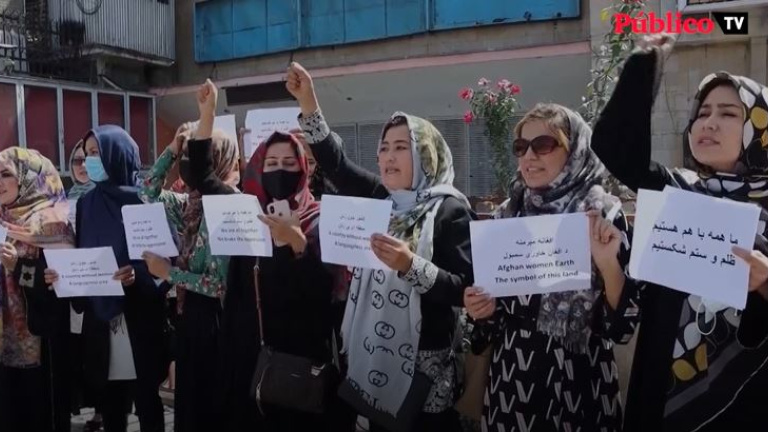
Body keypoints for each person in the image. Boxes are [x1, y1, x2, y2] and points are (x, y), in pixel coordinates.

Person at [591, 34, 768, 431]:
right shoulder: (677, 193)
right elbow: (614, 146)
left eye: (728, 113)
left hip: (744, 400)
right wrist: (645, 64)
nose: (709, 122)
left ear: (759, 128)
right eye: (702, 112)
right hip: (660, 389)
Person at [287, 62, 474, 432]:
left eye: (401, 147)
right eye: (384, 147)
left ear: (425, 155)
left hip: (424, 376)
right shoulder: (381, 199)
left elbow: (464, 290)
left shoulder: (450, 210)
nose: (388, 156)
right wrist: (308, 102)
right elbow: (337, 165)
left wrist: (410, 266)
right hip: (375, 360)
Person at [464, 103, 642, 431]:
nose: (529, 156)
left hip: (582, 382)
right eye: (521, 146)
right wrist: (480, 309)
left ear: (574, 151)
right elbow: (487, 323)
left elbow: (623, 327)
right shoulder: (507, 216)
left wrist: (607, 264)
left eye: (543, 144)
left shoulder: (602, 215)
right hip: (514, 381)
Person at [46, 126, 169, 432]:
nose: (89, 161)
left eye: (96, 153)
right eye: (87, 154)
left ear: (118, 156)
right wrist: (64, 276)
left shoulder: (147, 201)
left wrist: (137, 276)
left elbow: (167, 265)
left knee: (147, 401)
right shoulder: (87, 204)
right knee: (111, 402)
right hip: (101, 319)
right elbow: (84, 254)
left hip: (140, 317)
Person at [139, 121, 237, 432]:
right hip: (189, 318)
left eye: (196, 154)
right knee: (189, 408)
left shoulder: (231, 205)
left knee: (209, 407)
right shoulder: (190, 203)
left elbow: (219, 285)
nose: (188, 162)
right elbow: (148, 192)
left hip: (216, 322)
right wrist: (172, 149)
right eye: (186, 155)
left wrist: (170, 273)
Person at [0, 147, 74, 432]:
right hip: (5, 343)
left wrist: (17, 266)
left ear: (28, 177)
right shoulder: (3, 219)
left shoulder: (53, 224)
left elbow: (58, 286)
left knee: (40, 415)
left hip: (42, 343)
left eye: (5, 174)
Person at [65, 140, 103, 431]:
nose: (81, 165)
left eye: (86, 158)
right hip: (69, 282)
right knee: (75, 349)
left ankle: (102, 411)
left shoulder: (100, 197)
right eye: (76, 160)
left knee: (97, 350)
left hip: (95, 281)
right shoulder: (64, 198)